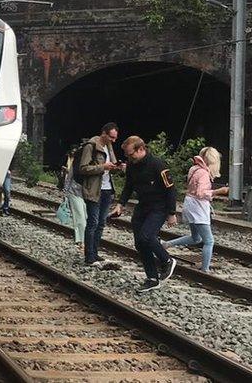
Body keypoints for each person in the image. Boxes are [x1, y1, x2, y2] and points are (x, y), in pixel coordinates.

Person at [110, 136, 177, 293]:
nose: (129, 158)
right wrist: (120, 204)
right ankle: (152, 278)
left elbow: (170, 189)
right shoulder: (133, 166)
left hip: (158, 207)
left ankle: (167, 260)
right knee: (140, 243)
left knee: (147, 236)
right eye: (127, 155)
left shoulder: (157, 164)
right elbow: (128, 187)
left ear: (141, 149)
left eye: (130, 154)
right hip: (142, 207)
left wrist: (172, 212)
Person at [162, 147, 228, 273]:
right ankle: (205, 269)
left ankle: (167, 244)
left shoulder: (194, 168)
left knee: (196, 238)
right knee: (209, 240)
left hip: (189, 203)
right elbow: (201, 193)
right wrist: (218, 191)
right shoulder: (203, 173)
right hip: (198, 207)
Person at [76, 122, 123, 267]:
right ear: (104, 133)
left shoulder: (109, 147)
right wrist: (102, 167)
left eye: (115, 138)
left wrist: (118, 167)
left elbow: (111, 167)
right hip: (93, 189)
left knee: (101, 223)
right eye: (111, 137)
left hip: (107, 189)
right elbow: (83, 168)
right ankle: (89, 256)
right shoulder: (91, 146)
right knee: (93, 222)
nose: (113, 140)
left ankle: (95, 253)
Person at [61, 146, 88, 252]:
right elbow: (69, 177)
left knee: (86, 217)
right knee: (80, 217)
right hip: (74, 192)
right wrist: (66, 192)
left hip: (87, 194)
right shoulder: (76, 162)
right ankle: (81, 241)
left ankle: (84, 240)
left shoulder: (92, 163)